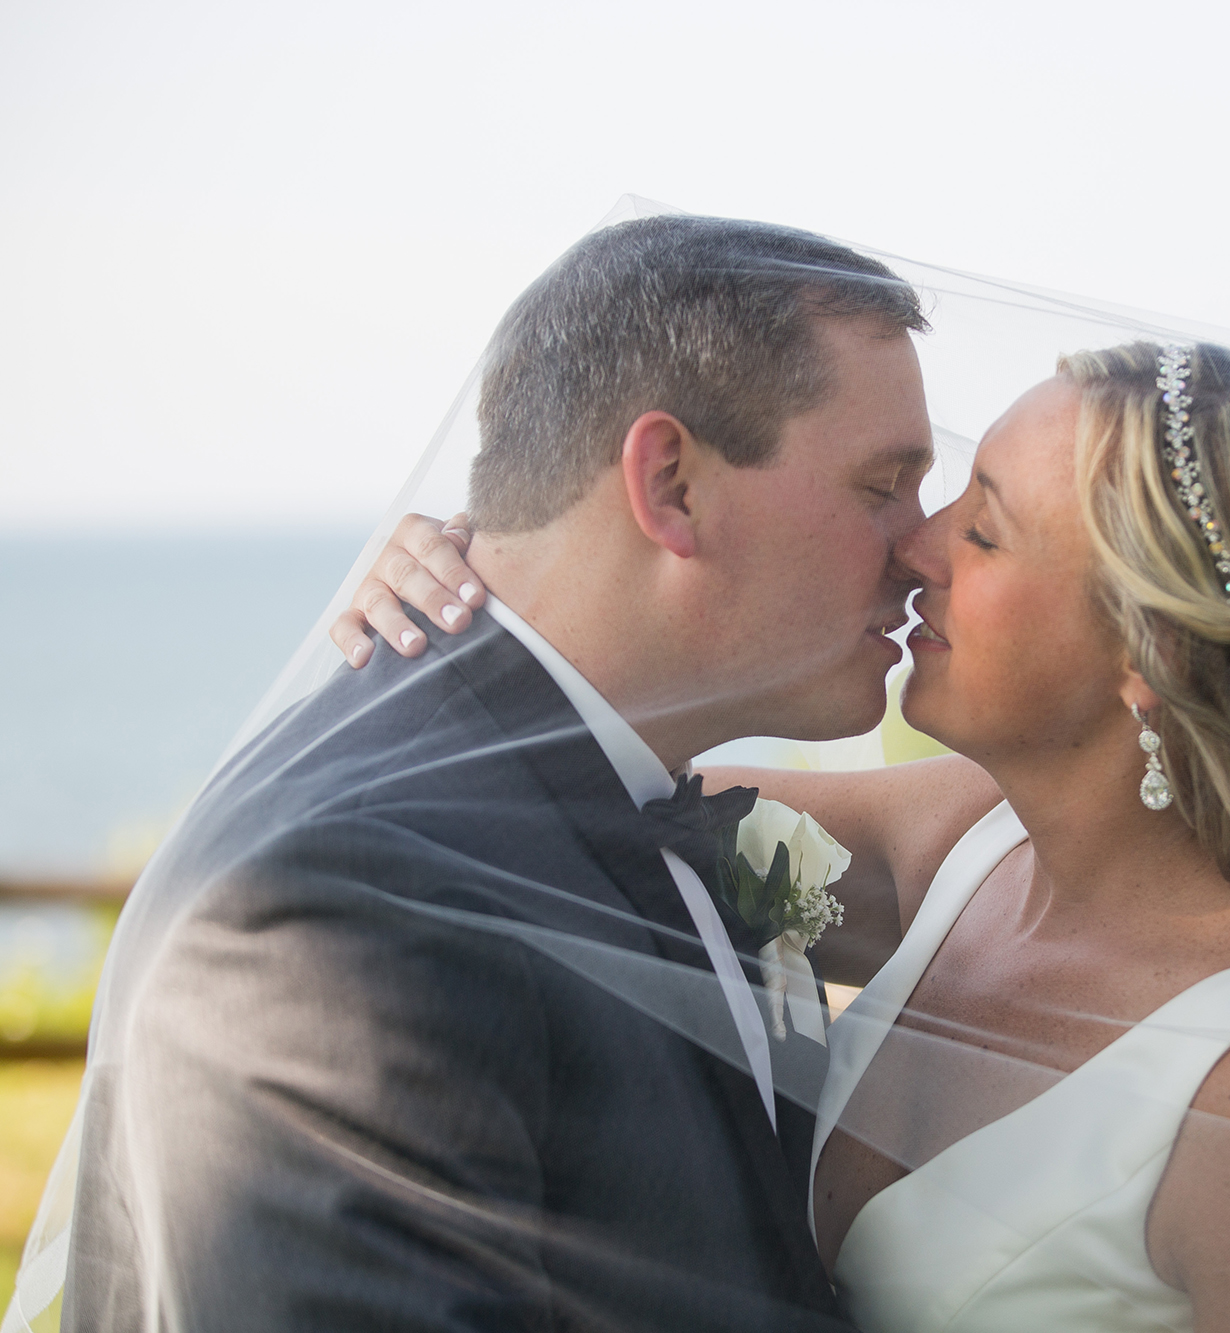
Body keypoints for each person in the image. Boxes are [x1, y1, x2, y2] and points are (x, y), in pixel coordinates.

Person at [341, 341, 1230, 1331]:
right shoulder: (969, 846)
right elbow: (589, 787)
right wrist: (472, 599)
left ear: (1151, 653)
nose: (915, 546)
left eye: (984, 529)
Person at [36, 213, 990, 1331]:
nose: (924, 547)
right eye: (884, 484)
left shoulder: (623, 794)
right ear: (670, 484)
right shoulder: (342, 916)